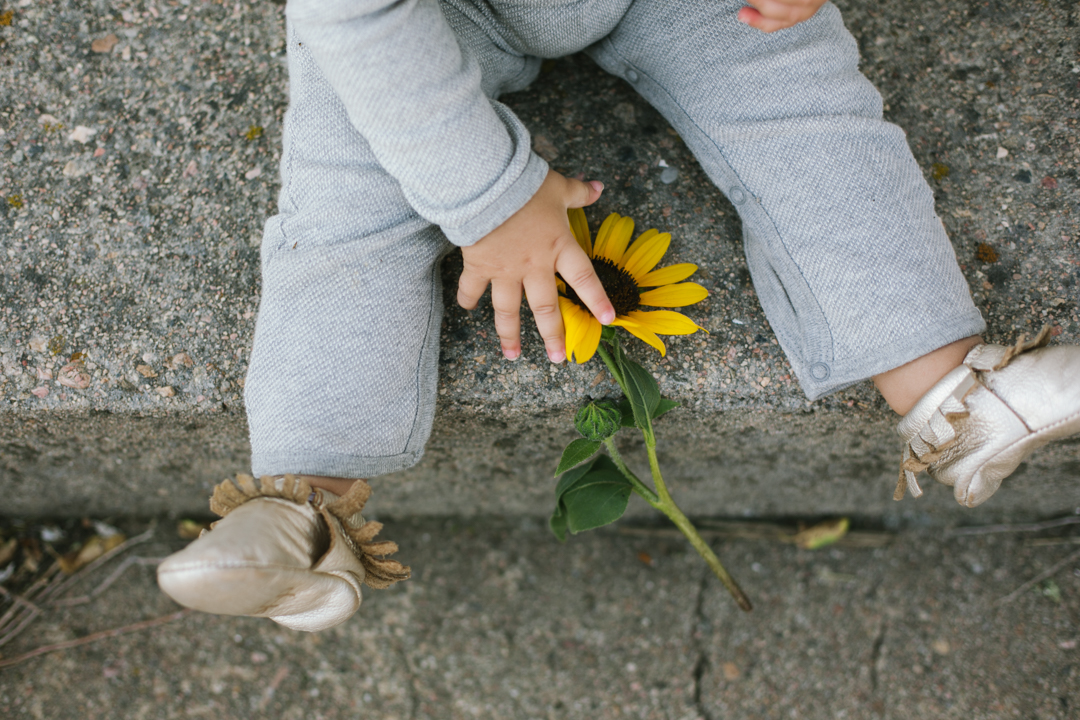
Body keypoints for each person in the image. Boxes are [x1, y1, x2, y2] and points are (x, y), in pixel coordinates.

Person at [156, 0, 1080, 631]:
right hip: (414, 27)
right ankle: (304, 511)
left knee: (803, 110)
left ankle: (954, 395)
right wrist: (494, 199)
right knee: (346, 208)